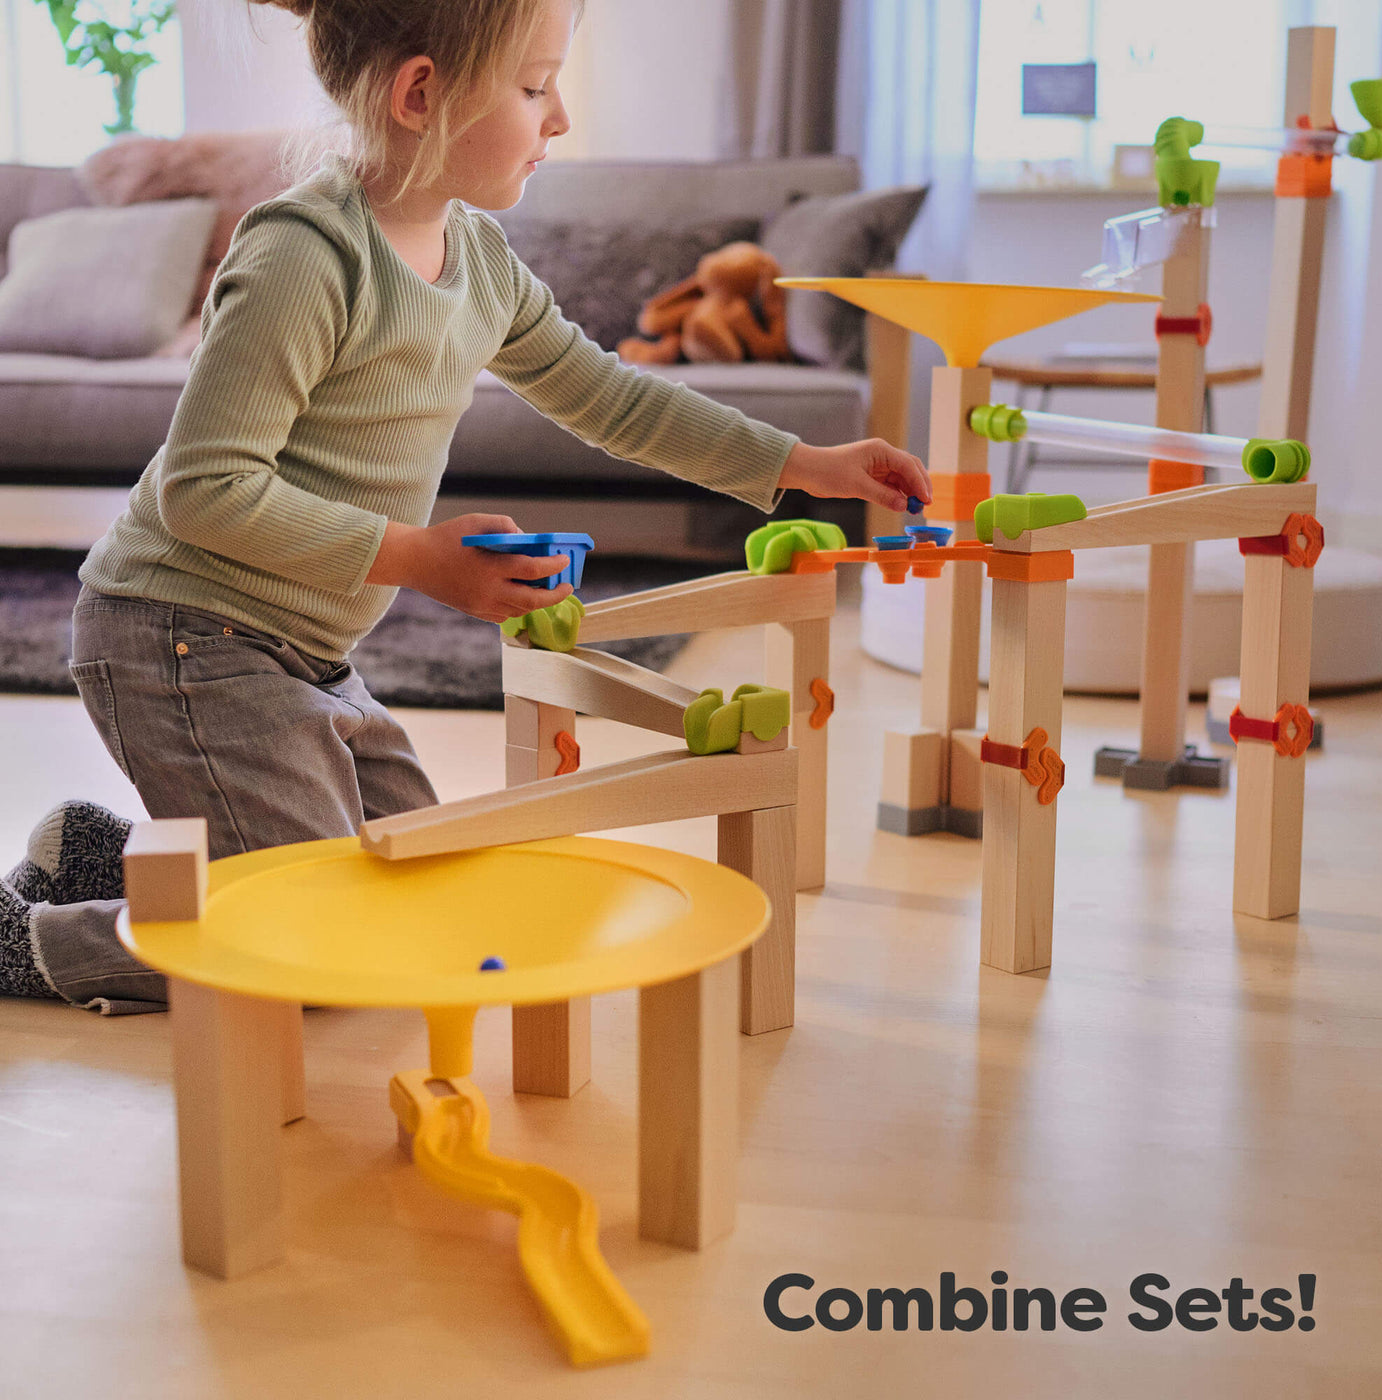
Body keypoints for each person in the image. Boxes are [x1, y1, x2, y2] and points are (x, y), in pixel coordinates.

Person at [0, 0, 929, 1015]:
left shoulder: (479, 261)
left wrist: (805, 463)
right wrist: (418, 556)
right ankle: (30, 944)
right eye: (534, 88)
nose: (560, 117)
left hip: (298, 653)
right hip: (177, 634)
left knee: (424, 874)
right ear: (419, 94)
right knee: (325, 935)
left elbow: (614, 398)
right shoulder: (303, 254)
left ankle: (97, 853)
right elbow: (205, 488)